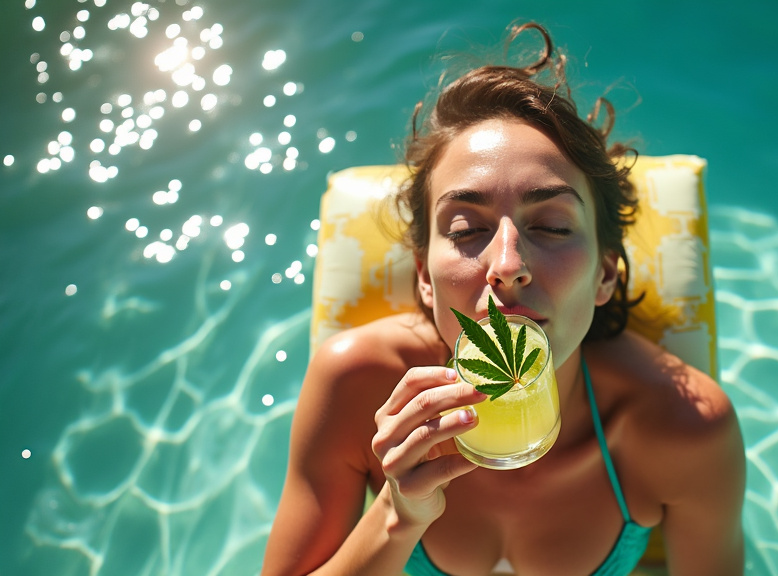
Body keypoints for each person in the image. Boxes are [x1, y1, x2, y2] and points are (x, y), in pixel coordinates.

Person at [261, 22, 745, 576]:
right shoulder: (356, 387)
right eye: (466, 228)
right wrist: (397, 515)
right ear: (424, 275)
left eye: (554, 227)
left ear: (605, 274)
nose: (508, 265)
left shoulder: (681, 427)